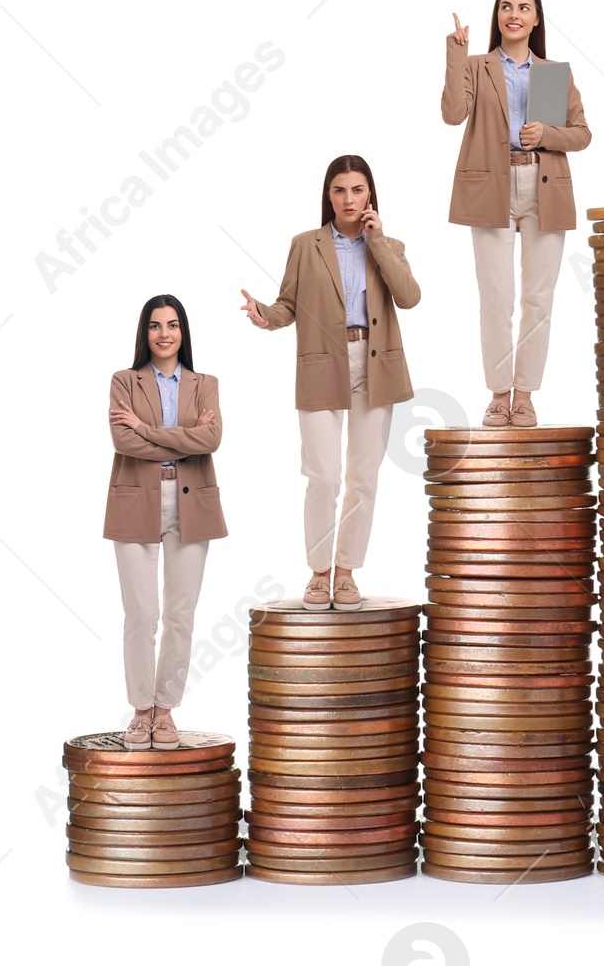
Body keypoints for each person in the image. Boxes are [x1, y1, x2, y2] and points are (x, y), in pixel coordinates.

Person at [239, 156, 420, 610]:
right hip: (322, 361)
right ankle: (319, 572)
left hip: (377, 365)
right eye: (339, 190)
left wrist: (378, 243)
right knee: (322, 475)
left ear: (370, 195)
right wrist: (265, 314)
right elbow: (288, 305)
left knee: (364, 477)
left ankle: (346, 572)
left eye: (357, 190)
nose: (348, 199)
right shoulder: (306, 245)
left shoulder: (390, 244)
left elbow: (409, 297)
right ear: (328, 195)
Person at [442, 0, 592, 429]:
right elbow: (452, 114)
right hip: (490, 186)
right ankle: (497, 395)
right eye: (506, 6)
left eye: (524, 8)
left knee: (538, 299)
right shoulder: (476, 65)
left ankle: (524, 397)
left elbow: (582, 133)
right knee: (496, 298)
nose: (514, 14)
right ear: (498, 16)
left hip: (544, 185)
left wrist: (548, 135)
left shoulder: (552, 73)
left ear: (536, 19)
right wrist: (454, 54)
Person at [106, 294, 227, 749]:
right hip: (135, 499)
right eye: (155, 326)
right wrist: (182, 439)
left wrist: (146, 428)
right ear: (145, 333)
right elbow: (124, 442)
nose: (164, 334)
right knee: (141, 613)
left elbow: (212, 439)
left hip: (191, 500)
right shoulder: (123, 380)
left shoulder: (205, 383)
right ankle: (140, 710)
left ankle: (165, 710)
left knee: (180, 614)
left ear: (183, 332)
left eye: (172, 325)